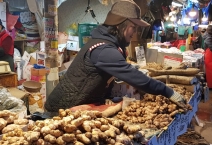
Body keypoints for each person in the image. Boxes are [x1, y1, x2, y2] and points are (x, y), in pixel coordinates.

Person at [45, 0, 187, 112]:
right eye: (133, 27)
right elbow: (136, 77)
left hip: (79, 106)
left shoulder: (108, 44)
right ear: (120, 25)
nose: (135, 32)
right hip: (61, 110)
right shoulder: (104, 49)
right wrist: (167, 92)